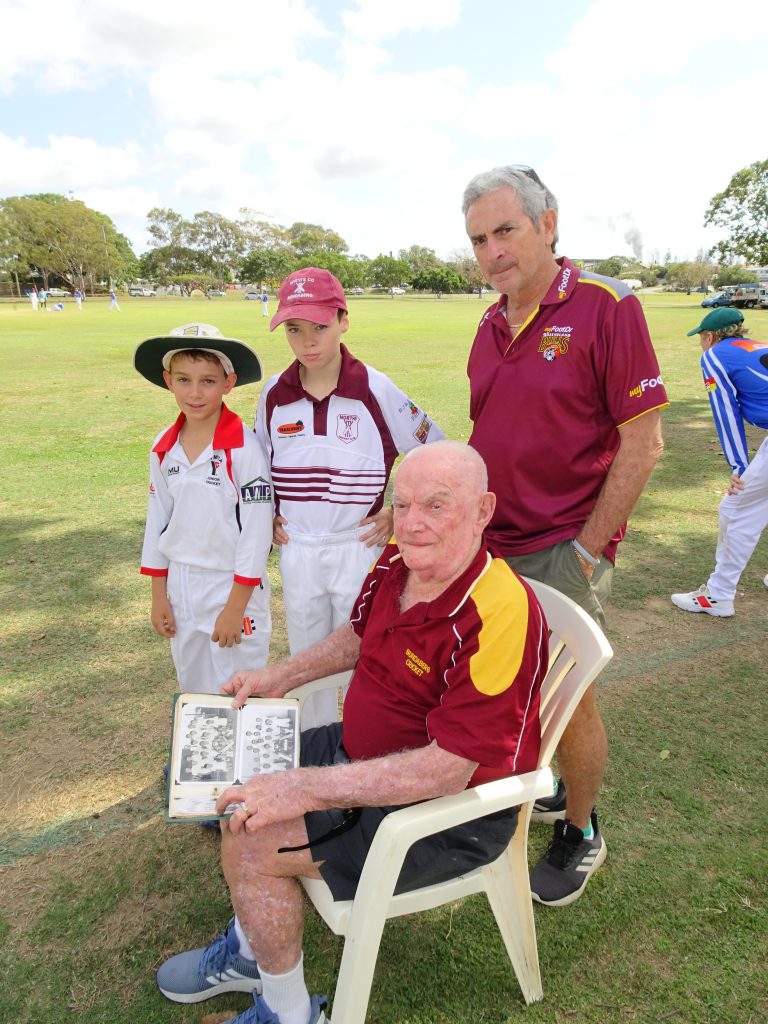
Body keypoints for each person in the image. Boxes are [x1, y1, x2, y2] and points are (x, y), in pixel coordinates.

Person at [155, 440, 548, 1024]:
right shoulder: (400, 559)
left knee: (250, 832)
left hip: (447, 813)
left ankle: (287, 1012)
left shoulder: (495, 613)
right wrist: (278, 677)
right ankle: (251, 942)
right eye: (404, 503)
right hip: (361, 754)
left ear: (483, 510)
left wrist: (304, 789)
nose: (412, 524)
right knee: (205, 775)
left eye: (436, 506)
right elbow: (360, 635)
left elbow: (446, 770)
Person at [462, 164, 668, 906]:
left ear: (548, 224)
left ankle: (582, 831)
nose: (493, 252)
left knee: (569, 697)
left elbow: (643, 443)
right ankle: (547, 786)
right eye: (480, 239)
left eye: (506, 230)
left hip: (563, 544)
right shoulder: (488, 324)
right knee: (514, 688)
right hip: (494, 544)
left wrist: (586, 550)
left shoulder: (607, 306)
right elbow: (492, 432)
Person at [255, 266, 445, 728]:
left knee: (367, 652)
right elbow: (258, 465)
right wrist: (271, 514)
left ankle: (363, 745)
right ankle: (315, 747)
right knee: (307, 656)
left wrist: (398, 515)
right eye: (295, 330)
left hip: (357, 546)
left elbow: (436, 452)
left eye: (320, 327)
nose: (308, 342)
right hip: (298, 547)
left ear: (343, 320)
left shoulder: (375, 388)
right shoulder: (274, 396)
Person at [135, 322, 273, 695]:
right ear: (168, 380)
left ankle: (243, 756)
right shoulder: (163, 446)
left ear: (228, 382)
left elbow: (258, 534)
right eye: (183, 380)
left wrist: (235, 607)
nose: (194, 393)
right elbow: (158, 521)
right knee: (194, 689)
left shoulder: (244, 447)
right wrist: (158, 595)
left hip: (230, 584)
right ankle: (202, 755)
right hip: (181, 585)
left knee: (240, 690)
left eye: (208, 382)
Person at [671, 307, 768, 617]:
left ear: (709, 336)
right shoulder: (756, 345)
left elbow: (725, 411)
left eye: (701, 337)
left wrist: (738, 465)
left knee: (736, 511)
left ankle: (718, 595)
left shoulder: (713, 356)